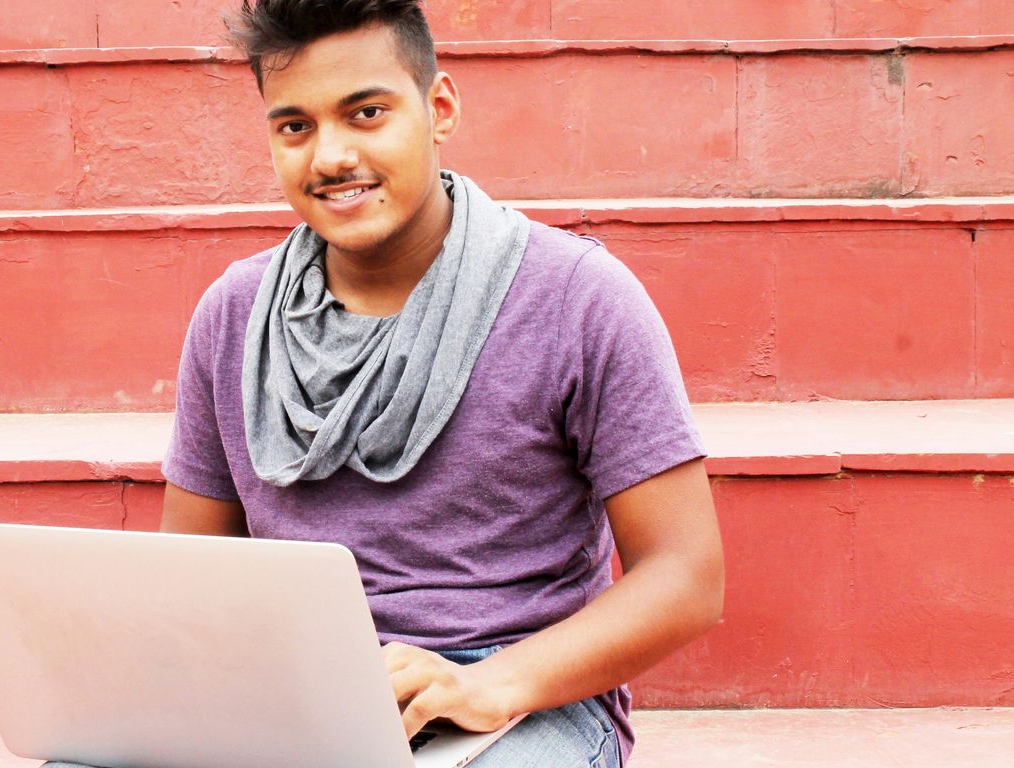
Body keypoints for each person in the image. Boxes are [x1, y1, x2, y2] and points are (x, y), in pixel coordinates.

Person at [53, 1, 723, 766]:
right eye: (294, 126)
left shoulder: (578, 297)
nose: (330, 156)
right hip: (291, 691)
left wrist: (494, 684)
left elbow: (686, 577)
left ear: (438, 109)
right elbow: (192, 577)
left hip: (515, 700)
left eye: (366, 113)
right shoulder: (234, 315)